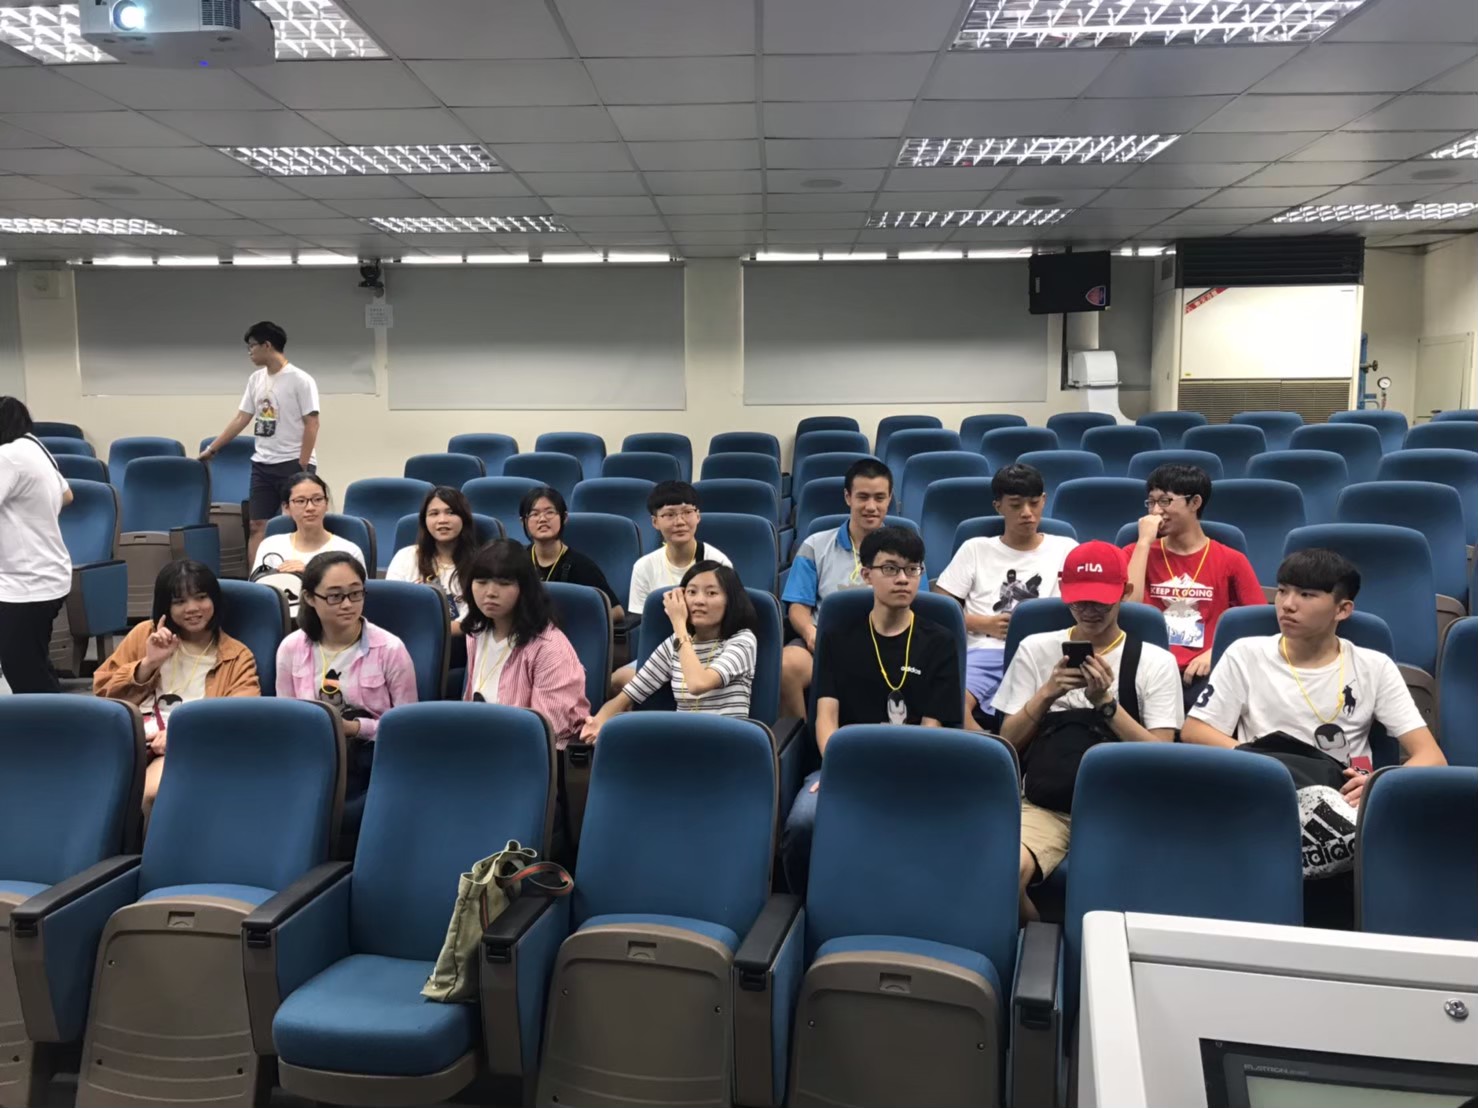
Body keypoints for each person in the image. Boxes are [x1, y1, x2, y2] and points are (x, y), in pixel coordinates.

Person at [1183, 549, 1444, 887]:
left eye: (1306, 595)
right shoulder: (1246, 653)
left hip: (1340, 801)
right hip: (1265, 794)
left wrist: (1378, 784)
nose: (1287, 605)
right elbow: (1196, 730)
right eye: (1282, 591)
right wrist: (1268, 766)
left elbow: (1431, 756)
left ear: (1342, 609)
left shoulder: (1374, 666)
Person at [993, 541, 1183, 922]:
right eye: (1080, 601)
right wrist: (1046, 694)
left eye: (1100, 601)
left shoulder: (1155, 661)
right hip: (1047, 804)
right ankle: (1042, 938)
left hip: (1126, 807)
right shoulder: (1035, 648)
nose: (1089, 610)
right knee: (1000, 874)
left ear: (1125, 592)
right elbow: (1006, 743)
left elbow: (1161, 759)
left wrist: (1106, 705)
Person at [779, 527, 961, 893]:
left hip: (914, 766)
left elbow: (933, 725)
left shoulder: (940, 640)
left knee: (933, 826)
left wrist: (900, 771)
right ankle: (804, 905)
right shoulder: (838, 638)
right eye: (890, 569)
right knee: (803, 823)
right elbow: (826, 717)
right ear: (867, 575)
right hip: (846, 764)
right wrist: (838, 765)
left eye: (912, 569)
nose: (903, 579)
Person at [93, 560, 259, 813]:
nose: (192, 608)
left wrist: (183, 734)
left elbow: (241, 716)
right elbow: (103, 693)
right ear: (165, 606)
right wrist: (148, 663)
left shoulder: (236, 655)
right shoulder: (145, 634)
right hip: (133, 740)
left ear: (214, 600)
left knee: (152, 794)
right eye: (179, 601)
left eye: (201, 597)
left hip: (192, 745)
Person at [276, 552, 417, 831]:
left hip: (371, 760)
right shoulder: (291, 648)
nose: (347, 604)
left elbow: (407, 730)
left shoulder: (390, 649)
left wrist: (354, 728)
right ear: (310, 598)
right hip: (310, 756)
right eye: (335, 596)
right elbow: (286, 720)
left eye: (355, 594)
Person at [934, 463, 1077, 730]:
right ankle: (992, 749)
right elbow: (941, 611)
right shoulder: (975, 549)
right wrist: (982, 623)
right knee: (953, 704)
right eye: (1016, 505)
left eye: (1034, 503)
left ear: (1044, 500)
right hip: (986, 651)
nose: (1027, 513)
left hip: (1047, 653)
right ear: (998, 506)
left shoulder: (1066, 548)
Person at [780, 458, 919, 719]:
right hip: (825, 643)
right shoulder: (815, 545)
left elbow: (919, 603)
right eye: (862, 497)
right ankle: (804, 738)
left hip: (890, 642)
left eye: (879, 498)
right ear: (848, 497)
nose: (871, 506)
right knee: (786, 666)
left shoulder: (907, 548)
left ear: (890, 499)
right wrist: (810, 632)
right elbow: (798, 606)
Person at [1124, 463, 1265, 709]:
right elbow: (1128, 611)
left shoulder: (1231, 560)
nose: (1156, 511)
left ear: (1195, 502)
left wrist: (1216, 652)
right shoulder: (1135, 553)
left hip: (1205, 670)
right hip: (1146, 666)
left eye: (1165, 501)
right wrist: (1144, 542)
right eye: (1151, 502)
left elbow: (1257, 625)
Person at [581, 562, 758, 739]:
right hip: (682, 740)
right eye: (691, 592)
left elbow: (698, 684)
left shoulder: (742, 640)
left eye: (711, 593)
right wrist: (598, 721)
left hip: (727, 742)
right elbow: (632, 692)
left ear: (730, 601)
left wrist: (679, 623)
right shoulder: (676, 643)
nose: (699, 601)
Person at [200, 322, 320, 566]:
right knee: (256, 525)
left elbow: (312, 423)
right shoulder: (255, 379)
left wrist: (302, 465)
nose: (250, 352)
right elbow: (241, 418)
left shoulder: (300, 380)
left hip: (292, 462)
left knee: (293, 524)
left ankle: (294, 574)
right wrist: (213, 449)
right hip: (262, 463)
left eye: (252, 346)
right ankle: (257, 576)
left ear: (267, 345)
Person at [461, 539, 590, 745]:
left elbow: (546, 730)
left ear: (525, 589)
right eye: (481, 582)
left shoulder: (549, 647)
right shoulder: (477, 632)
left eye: (504, 583)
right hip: (479, 740)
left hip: (525, 751)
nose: (490, 592)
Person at [613, 481, 730, 692]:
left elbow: (727, 620)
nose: (680, 521)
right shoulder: (644, 566)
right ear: (655, 522)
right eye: (669, 515)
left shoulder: (718, 562)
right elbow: (646, 626)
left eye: (687, 512)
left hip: (709, 650)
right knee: (618, 680)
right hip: (661, 653)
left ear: (698, 516)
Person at [0, 397, 72, 693]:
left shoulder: (7, 456)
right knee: (34, 663)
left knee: (22, 670)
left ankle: (52, 720)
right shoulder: (37, 449)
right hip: (47, 574)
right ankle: (57, 714)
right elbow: (67, 495)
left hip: (25, 583)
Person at [520, 486, 623, 623]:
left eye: (550, 512)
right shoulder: (516, 561)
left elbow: (617, 611)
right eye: (534, 514)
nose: (542, 519)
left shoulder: (582, 566)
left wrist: (578, 624)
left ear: (564, 518)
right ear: (523, 522)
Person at [386, 486, 478, 634]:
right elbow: (392, 605)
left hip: (462, 641)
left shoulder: (479, 562)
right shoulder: (405, 557)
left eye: (451, 512)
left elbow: (475, 620)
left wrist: (430, 632)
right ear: (425, 521)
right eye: (434, 513)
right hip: (410, 639)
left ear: (464, 518)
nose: (442, 520)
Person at [250, 473, 365, 578]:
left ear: (326, 503)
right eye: (300, 501)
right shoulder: (271, 546)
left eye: (317, 499)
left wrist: (309, 574)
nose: (310, 507)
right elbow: (258, 590)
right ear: (286, 507)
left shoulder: (349, 551)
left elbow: (357, 592)